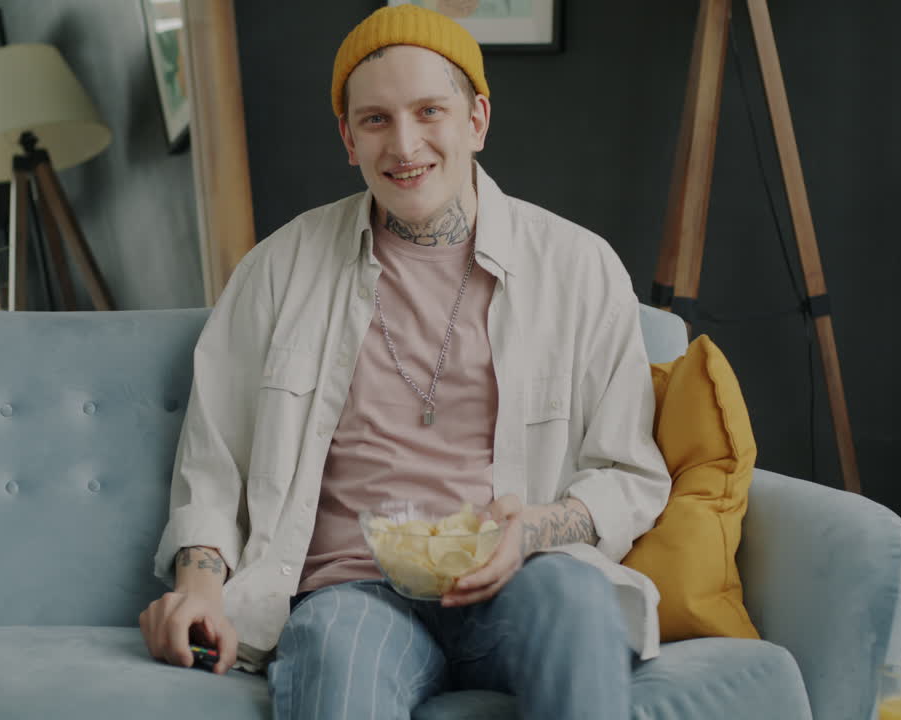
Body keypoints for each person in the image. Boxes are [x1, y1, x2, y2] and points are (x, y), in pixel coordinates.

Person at [139, 5, 671, 718]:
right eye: (376, 120)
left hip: (522, 578)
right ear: (347, 138)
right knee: (331, 645)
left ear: (476, 119)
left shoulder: (580, 268)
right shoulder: (278, 269)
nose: (406, 143)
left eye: (430, 111)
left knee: (576, 599)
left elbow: (627, 475)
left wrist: (531, 532)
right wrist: (200, 587)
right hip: (351, 590)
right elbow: (213, 467)